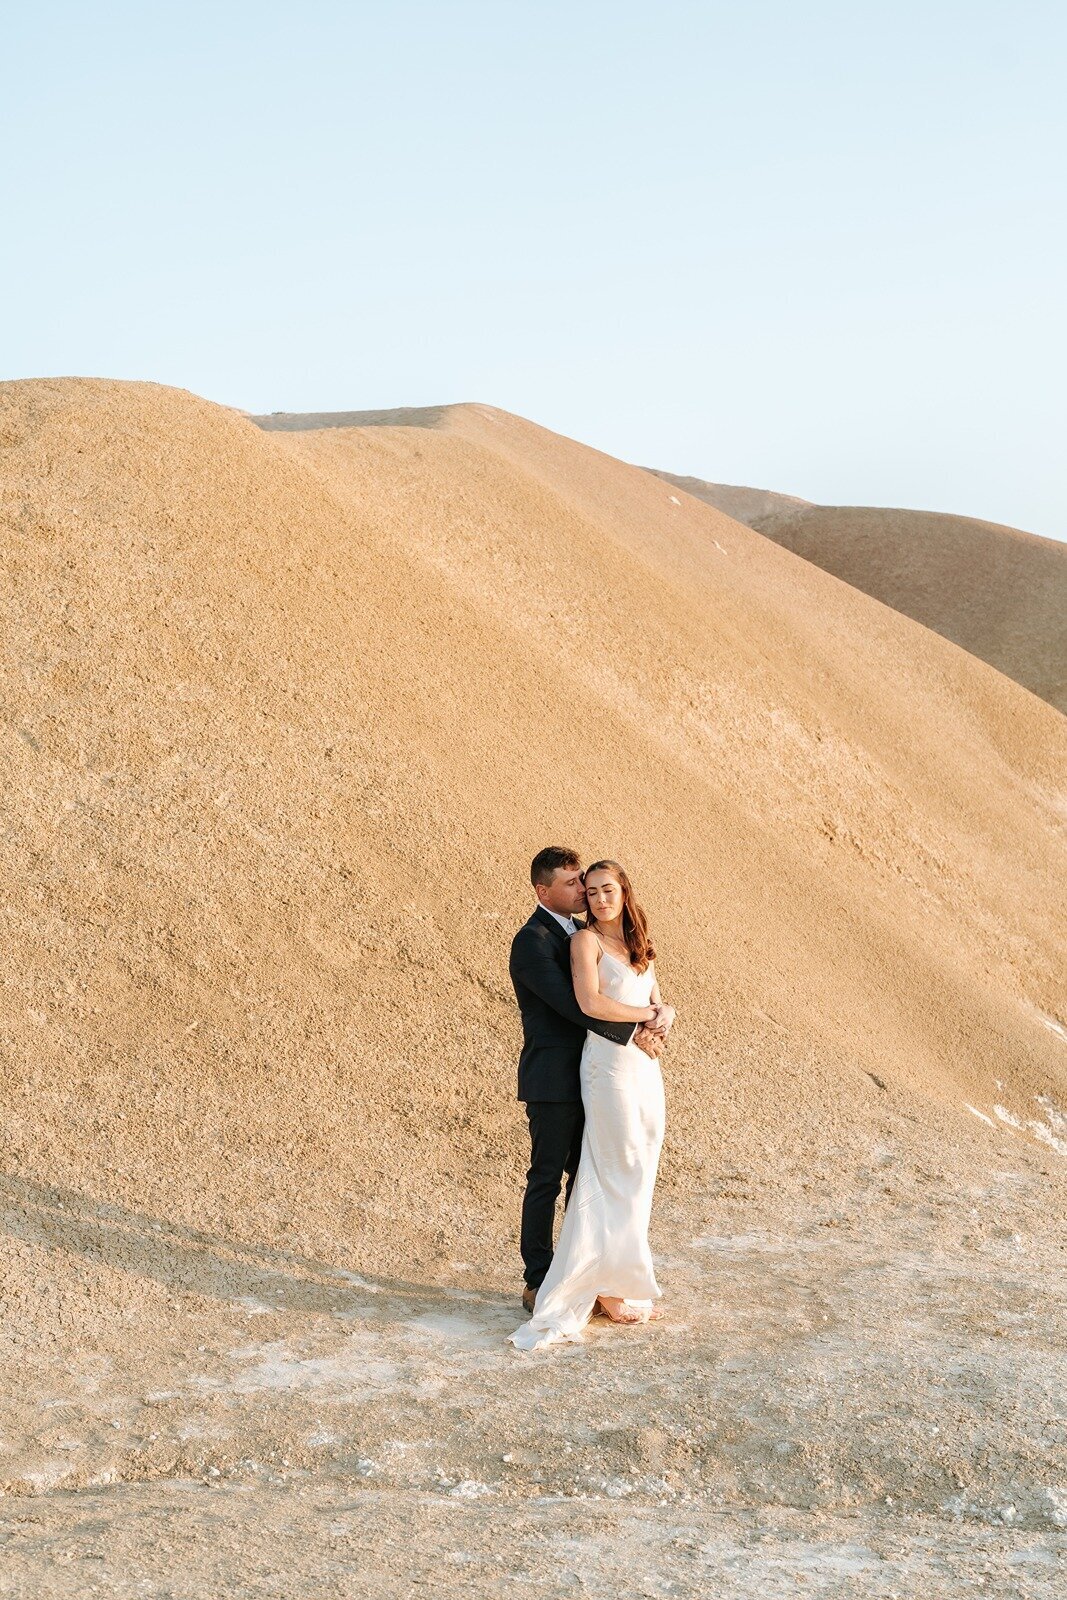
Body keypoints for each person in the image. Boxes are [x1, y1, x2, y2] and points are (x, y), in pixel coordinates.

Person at [508, 854, 675, 1351]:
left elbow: (633, 987)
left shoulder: (589, 932)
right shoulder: (534, 941)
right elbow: (574, 1003)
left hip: (612, 1071)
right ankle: (539, 1279)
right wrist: (640, 1027)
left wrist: (663, 1012)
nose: (585, 889)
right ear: (543, 891)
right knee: (547, 1177)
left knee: (598, 1175)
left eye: (592, 882)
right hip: (558, 1078)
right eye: (573, 882)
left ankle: (603, 1277)